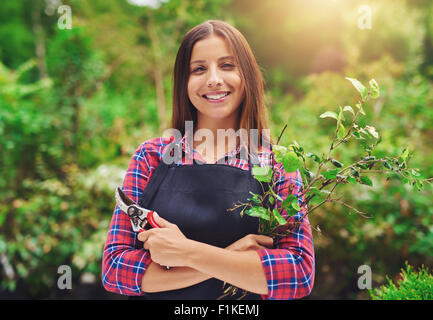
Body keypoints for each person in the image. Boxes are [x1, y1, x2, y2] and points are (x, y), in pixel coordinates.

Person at [102, 20, 314, 300]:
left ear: (247, 76)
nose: (213, 78)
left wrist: (187, 253)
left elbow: (298, 274)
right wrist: (232, 257)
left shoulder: (276, 164)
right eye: (199, 69)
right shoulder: (150, 157)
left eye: (227, 65)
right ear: (184, 82)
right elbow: (115, 270)